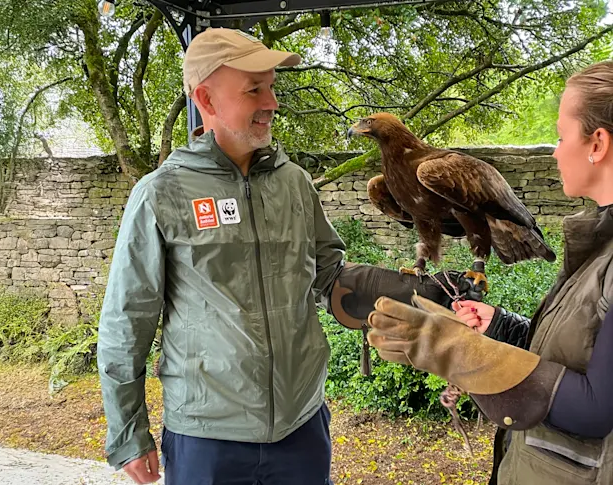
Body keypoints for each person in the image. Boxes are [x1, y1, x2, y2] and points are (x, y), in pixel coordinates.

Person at [97, 27, 480, 485]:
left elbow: (329, 276)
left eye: (272, 87)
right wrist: (127, 432)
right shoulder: (161, 194)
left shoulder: (293, 183)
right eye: (254, 89)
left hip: (301, 426)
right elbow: (127, 319)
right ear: (207, 98)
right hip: (207, 435)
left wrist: (417, 292)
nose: (272, 102)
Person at [366, 60, 613, 485]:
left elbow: (594, 410)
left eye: (559, 135)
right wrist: (501, 326)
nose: (554, 150)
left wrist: (454, 351)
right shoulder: (599, 240)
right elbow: (580, 355)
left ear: (598, 144)